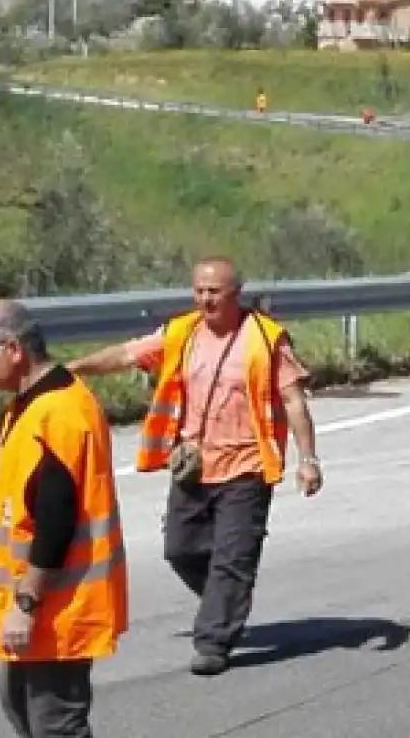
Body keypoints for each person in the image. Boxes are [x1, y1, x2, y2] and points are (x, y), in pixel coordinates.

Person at [68, 256, 322, 677]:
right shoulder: (181, 332)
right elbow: (128, 354)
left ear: (235, 294)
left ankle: (214, 640)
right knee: (180, 549)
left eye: (214, 292)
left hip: (248, 464)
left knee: (231, 557)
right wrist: (74, 368)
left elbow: (294, 400)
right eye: (199, 291)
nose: (205, 299)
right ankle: (225, 599)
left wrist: (308, 460)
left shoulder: (266, 338)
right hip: (193, 464)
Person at [0, 299, 129, 738]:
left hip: (56, 607)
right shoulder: (32, 405)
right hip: (46, 604)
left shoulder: (58, 414)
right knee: (21, 706)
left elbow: (56, 521)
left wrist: (25, 606)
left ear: (13, 349)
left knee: (55, 723)